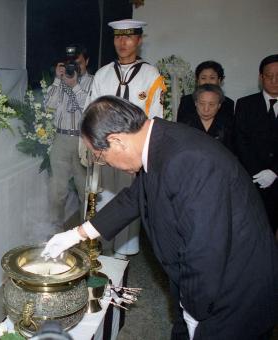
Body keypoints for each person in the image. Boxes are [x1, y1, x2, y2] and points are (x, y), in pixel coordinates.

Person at [42, 96, 278, 340]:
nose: (105, 164)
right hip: (204, 285)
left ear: (117, 141)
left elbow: (205, 250)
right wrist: (76, 234)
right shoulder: (158, 140)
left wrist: (195, 314)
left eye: (100, 157)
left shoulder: (188, 160)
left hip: (233, 294)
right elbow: (134, 197)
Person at [85, 19, 166, 256]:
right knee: (101, 196)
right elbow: (91, 112)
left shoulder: (152, 75)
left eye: (129, 37)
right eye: (118, 37)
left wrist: (143, 156)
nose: (122, 42)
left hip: (132, 153)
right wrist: (91, 147)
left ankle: (123, 253)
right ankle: (97, 249)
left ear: (139, 40)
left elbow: (156, 117)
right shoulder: (103, 74)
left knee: (130, 200)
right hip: (104, 149)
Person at [44, 44, 93, 228]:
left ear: (86, 62)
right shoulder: (61, 81)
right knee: (57, 191)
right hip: (61, 139)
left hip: (83, 141)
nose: (73, 68)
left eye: (78, 63)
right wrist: (58, 80)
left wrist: (75, 86)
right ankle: (55, 232)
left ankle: (86, 234)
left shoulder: (94, 82)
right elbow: (48, 107)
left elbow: (89, 108)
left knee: (85, 192)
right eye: (70, 64)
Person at [234, 54, 278, 237]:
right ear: (261, 77)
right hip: (253, 179)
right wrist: (257, 173)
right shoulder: (245, 104)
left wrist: (275, 171)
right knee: (256, 231)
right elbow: (240, 141)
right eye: (269, 76)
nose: (274, 81)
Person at [182, 84, 234, 152]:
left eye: (211, 104)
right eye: (202, 103)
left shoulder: (227, 126)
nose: (206, 109)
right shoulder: (184, 125)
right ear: (196, 103)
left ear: (219, 105)